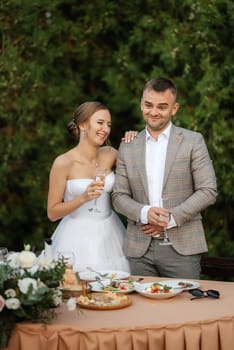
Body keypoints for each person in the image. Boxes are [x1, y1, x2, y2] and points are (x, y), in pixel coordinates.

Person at [112, 77, 217, 279]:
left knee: (185, 309)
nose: (154, 112)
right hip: (138, 250)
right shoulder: (128, 145)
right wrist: (145, 213)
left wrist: (170, 218)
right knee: (140, 309)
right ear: (141, 104)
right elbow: (118, 196)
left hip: (182, 248)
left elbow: (208, 190)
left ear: (174, 108)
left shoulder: (193, 141)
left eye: (162, 107)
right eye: (148, 105)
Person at [47, 101, 137, 273]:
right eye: (100, 122)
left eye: (109, 124)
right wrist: (83, 198)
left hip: (109, 233)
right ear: (82, 125)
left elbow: (137, 173)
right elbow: (52, 212)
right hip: (75, 237)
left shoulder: (111, 154)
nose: (106, 129)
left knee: (115, 287)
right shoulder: (63, 163)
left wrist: (135, 142)